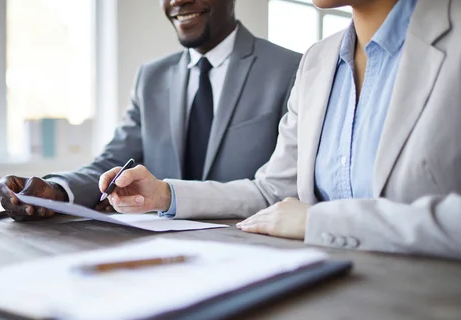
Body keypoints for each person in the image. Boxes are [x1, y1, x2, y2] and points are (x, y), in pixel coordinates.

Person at [99, 0, 461, 260]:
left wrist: (320, 220)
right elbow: (273, 192)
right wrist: (163, 195)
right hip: (327, 298)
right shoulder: (318, 60)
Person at [0, 0, 301, 220]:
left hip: (249, 245)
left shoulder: (292, 68)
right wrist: (56, 191)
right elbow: (114, 161)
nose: (178, 2)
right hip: (159, 251)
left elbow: (284, 187)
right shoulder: (151, 77)